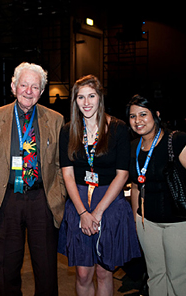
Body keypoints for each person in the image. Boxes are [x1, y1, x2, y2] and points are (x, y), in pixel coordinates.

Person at [0, 62, 66, 295]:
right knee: (7, 266)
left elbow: (62, 164)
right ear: (13, 86)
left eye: (35, 87)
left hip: (43, 199)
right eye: (24, 85)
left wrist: (58, 194)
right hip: (6, 198)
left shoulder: (56, 119)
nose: (28, 91)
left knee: (47, 266)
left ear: (41, 91)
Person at [126, 94, 186, 296]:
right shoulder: (133, 147)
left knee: (179, 277)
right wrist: (136, 220)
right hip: (147, 222)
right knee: (155, 275)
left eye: (143, 114)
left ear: (157, 115)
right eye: (132, 116)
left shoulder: (177, 140)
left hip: (182, 222)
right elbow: (135, 185)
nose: (138, 120)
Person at [58, 75, 140, 295]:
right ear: (74, 101)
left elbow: (122, 175)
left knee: (104, 272)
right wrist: (83, 212)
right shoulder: (68, 130)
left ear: (100, 98)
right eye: (81, 97)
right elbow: (67, 175)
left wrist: (98, 212)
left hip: (109, 202)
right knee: (83, 274)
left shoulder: (118, 128)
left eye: (91, 96)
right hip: (79, 202)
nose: (86, 102)